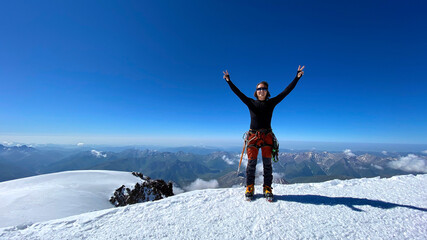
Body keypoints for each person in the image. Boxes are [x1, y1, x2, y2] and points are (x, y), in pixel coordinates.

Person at [223, 65, 305, 200]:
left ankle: (267, 187)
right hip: (254, 136)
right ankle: (250, 186)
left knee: (267, 164)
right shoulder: (250, 102)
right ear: (256, 91)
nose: (261, 91)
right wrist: (228, 81)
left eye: (264, 89)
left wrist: (296, 78)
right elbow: (238, 93)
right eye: (259, 89)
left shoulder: (271, 103)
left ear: (267, 91)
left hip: (266, 136)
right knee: (251, 164)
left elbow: (286, 92)